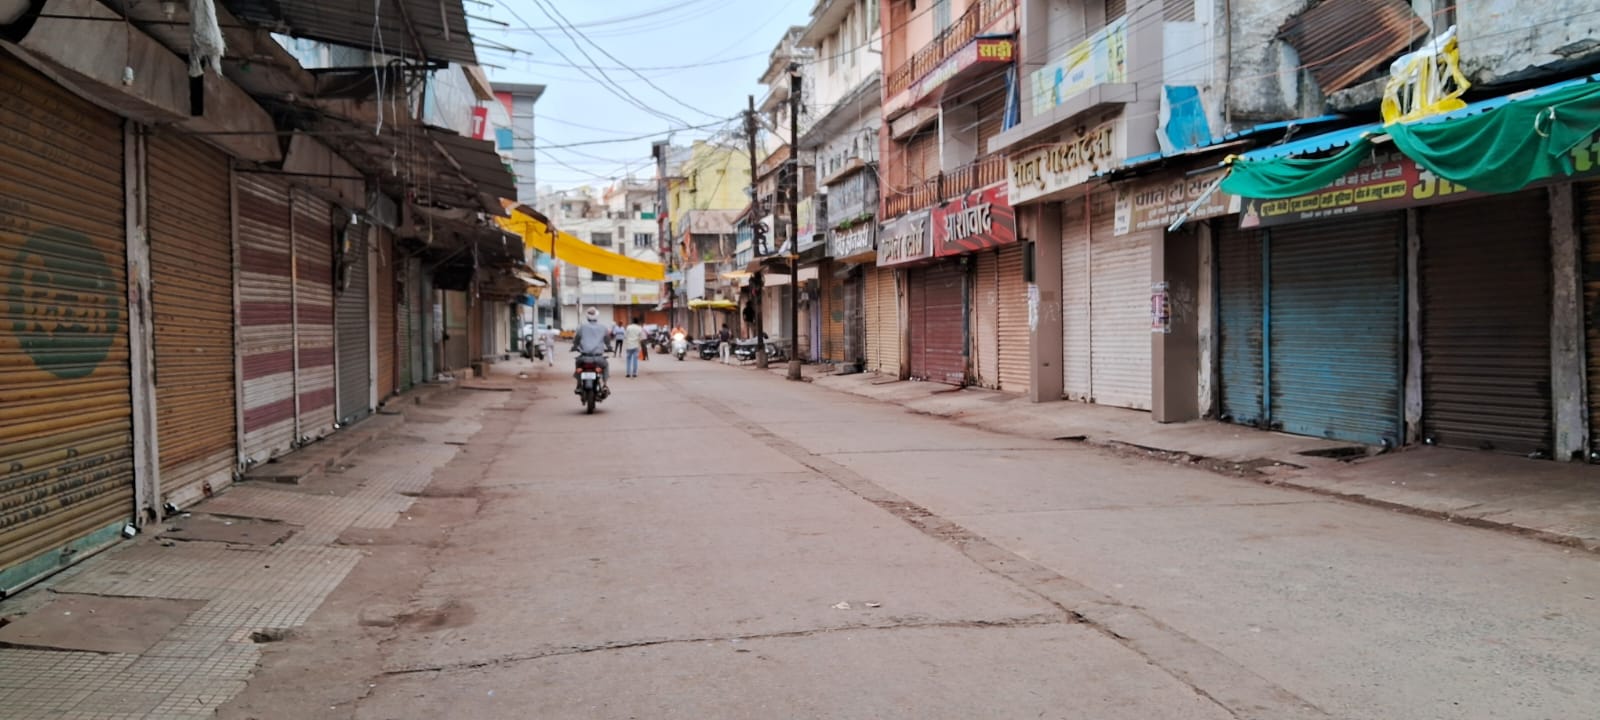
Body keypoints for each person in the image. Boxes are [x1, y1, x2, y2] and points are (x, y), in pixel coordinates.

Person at [571, 307, 611, 384]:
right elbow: (607, 340)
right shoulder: (603, 327)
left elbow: (576, 339)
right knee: (605, 365)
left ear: (587, 317)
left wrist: (574, 346)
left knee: (578, 364)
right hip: (598, 358)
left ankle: (579, 383)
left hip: (584, 358)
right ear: (597, 316)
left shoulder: (581, 327)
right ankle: (605, 384)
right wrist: (609, 347)